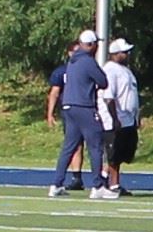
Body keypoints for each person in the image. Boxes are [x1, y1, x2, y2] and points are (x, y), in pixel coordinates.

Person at [48, 29, 115, 199]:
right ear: (91, 45)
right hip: (84, 106)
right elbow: (103, 81)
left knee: (68, 147)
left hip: (69, 107)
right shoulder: (88, 61)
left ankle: (56, 184)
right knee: (95, 145)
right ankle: (98, 185)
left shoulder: (72, 61)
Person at [100, 38, 140, 196]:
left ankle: (108, 178)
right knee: (114, 154)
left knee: (124, 153)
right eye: (124, 52)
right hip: (117, 119)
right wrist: (114, 118)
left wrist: (137, 115)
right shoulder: (110, 70)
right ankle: (110, 182)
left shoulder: (126, 70)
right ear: (115, 53)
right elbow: (109, 97)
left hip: (128, 118)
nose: (127, 54)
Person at [46, 42, 84, 190]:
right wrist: (50, 114)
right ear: (69, 53)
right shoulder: (62, 71)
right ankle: (76, 177)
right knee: (75, 144)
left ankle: (102, 178)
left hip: (88, 110)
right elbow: (54, 93)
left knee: (97, 145)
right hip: (70, 112)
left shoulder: (88, 68)